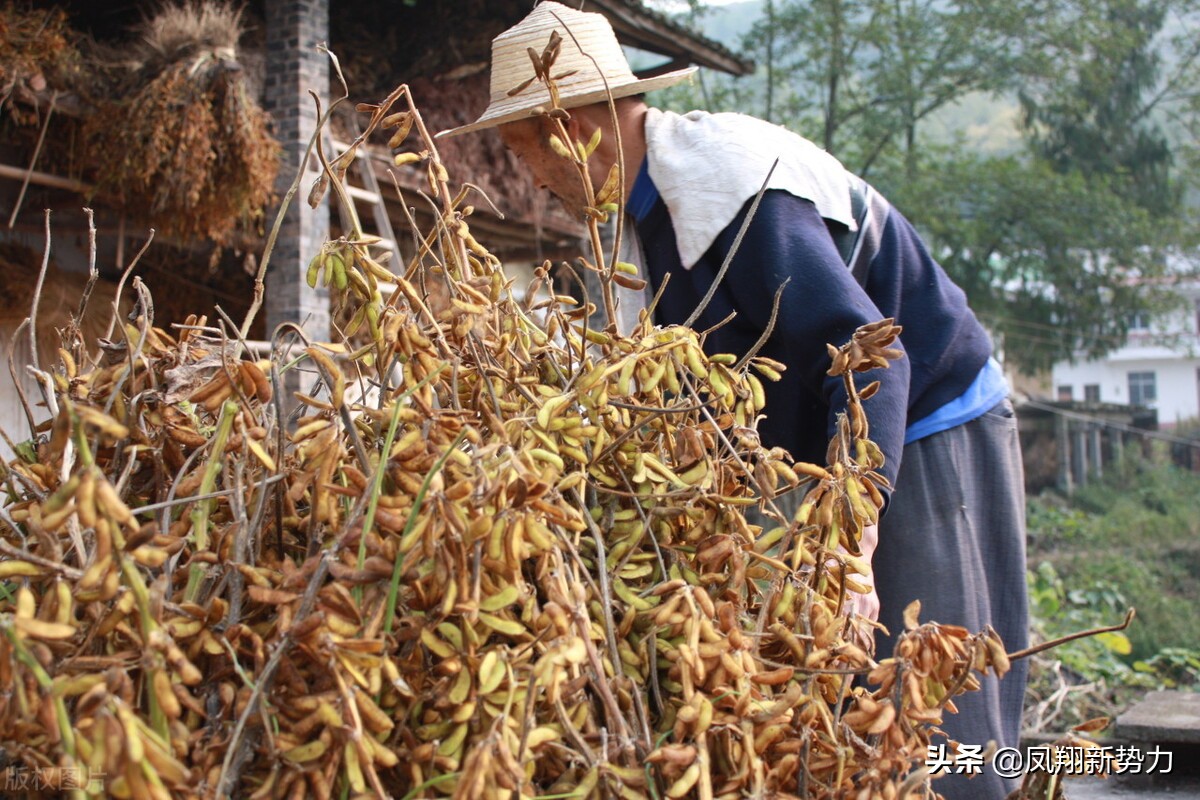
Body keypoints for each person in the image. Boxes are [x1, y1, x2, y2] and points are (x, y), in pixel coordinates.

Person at [441, 3, 1029, 798]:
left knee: (933, 693)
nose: (530, 181)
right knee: (844, 690)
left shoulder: (736, 193)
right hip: (829, 457)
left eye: (523, 153)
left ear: (568, 132)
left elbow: (872, 357)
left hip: (927, 417)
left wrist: (850, 545)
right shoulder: (635, 224)